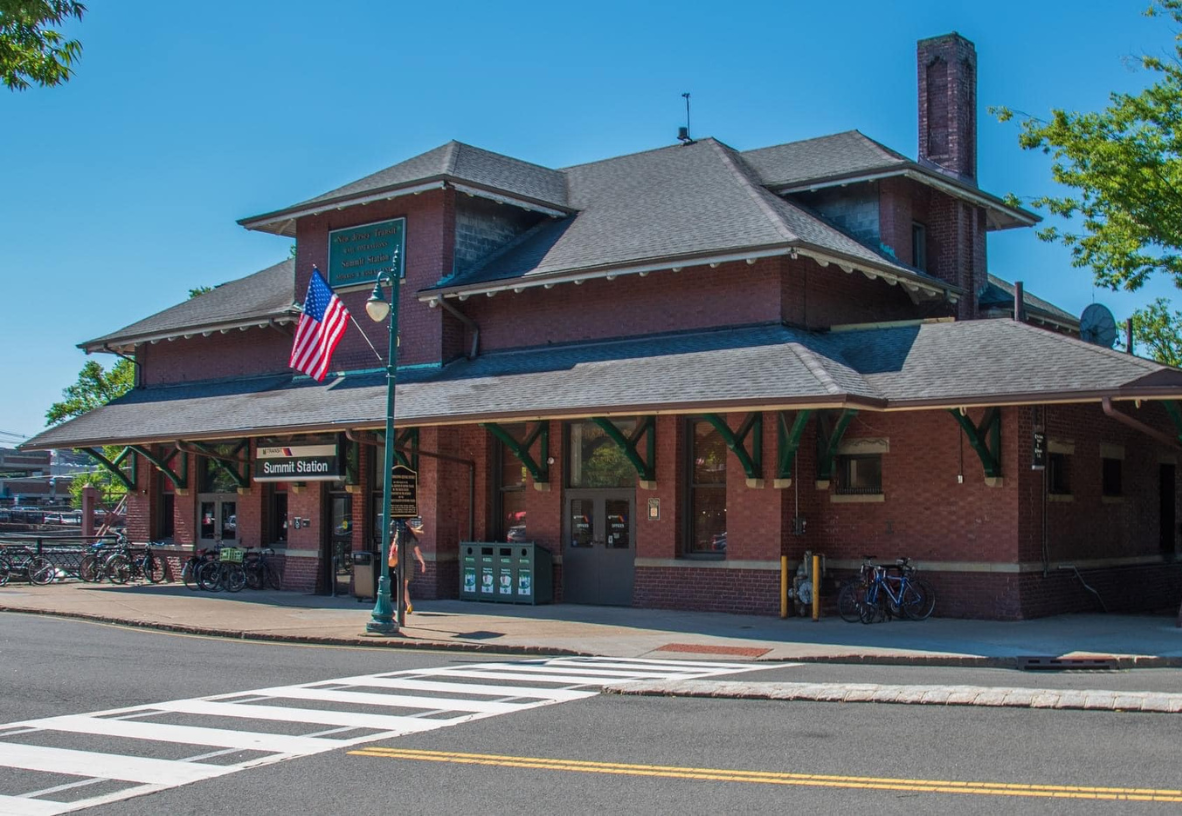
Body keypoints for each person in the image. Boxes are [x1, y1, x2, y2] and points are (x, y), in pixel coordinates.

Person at [388, 517, 426, 614]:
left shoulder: (398, 537)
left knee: (401, 585)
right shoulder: (412, 539)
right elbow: (418, 552)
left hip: (400, 561)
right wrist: (423, 563)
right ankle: (407, 604)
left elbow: (394, 549)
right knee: (405, 585)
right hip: (409, 561)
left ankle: (407, 604)